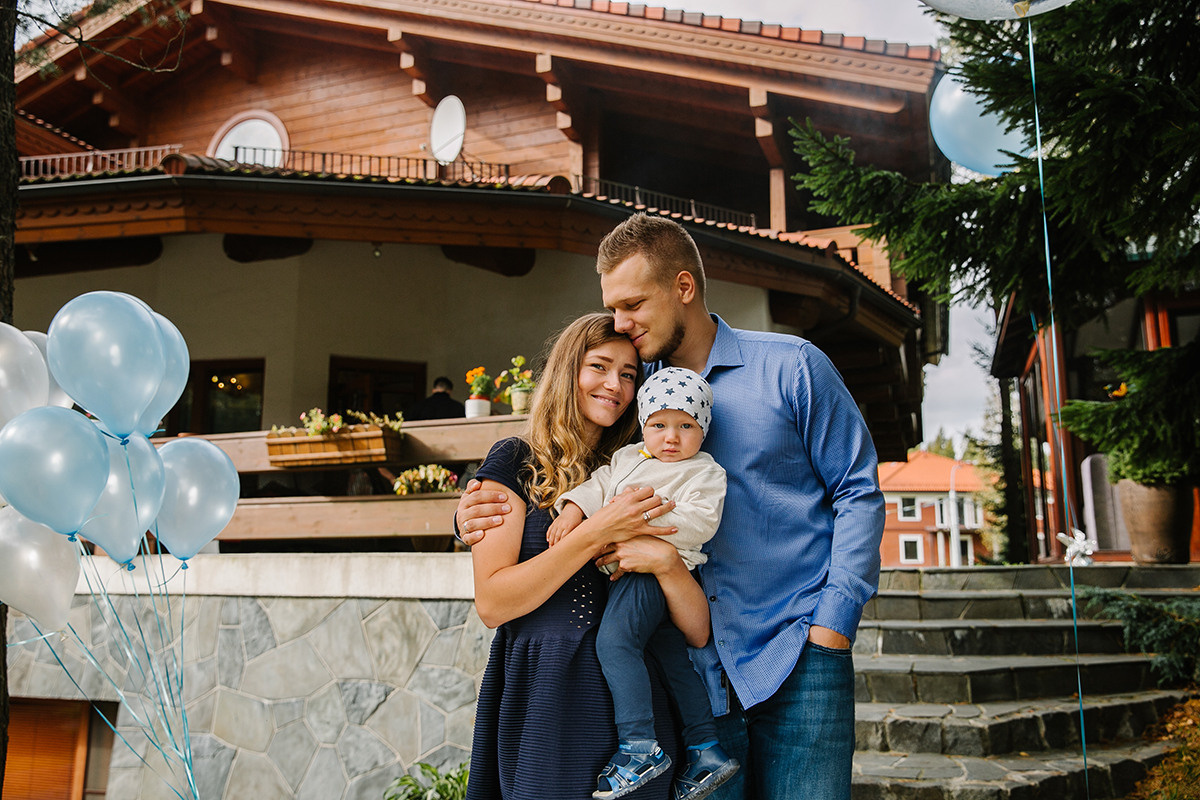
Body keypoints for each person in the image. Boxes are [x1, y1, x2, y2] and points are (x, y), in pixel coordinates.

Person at [457, 214, 885, 800]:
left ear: (683, 287)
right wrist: (473, 514)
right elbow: (570, 463)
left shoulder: (792, 367)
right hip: (691, 669)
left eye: (633, 304)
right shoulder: (636, 389)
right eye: (613, 308)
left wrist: (833, 626)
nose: (620, 323)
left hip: (795, 651)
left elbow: (858, 490)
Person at [465, 312, 714, 800]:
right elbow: (493, 603)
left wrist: (664, 561)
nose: (614, 385)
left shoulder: (647, 471)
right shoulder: (516, 462)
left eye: (627, 374)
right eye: (599, 366)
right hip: (548, 689)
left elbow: (697, 629)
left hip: (637, 706)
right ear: (567, 372)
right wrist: (597, 529)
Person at [548, 365, 738, 800]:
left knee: (614, 644)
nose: (671, 437)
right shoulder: (628, 459)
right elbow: (597, 486)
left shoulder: (704, 473)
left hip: (650, 575)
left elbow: (700, 522)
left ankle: (639, 746)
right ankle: (706, 748)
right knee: (671, 655)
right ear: (644, 425)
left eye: (685, 426)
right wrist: (576, 511)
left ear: (703, 430)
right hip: (629, 575)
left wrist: (630, 522)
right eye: (659, 425)